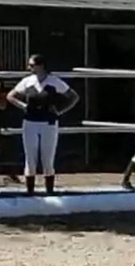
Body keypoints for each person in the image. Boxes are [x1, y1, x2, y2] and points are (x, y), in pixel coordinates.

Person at [4, 54, 79, 195]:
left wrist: (60, 111)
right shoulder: (27, 81)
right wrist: (23, 106)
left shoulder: (54, 81)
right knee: (30, 157)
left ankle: (49, 190)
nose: (29, 68)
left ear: (41, 66)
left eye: (32, 65)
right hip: (30, 122)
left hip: (48, 122)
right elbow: (11, 95)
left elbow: (73, 96)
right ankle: (30, 191)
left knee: (47, 157)